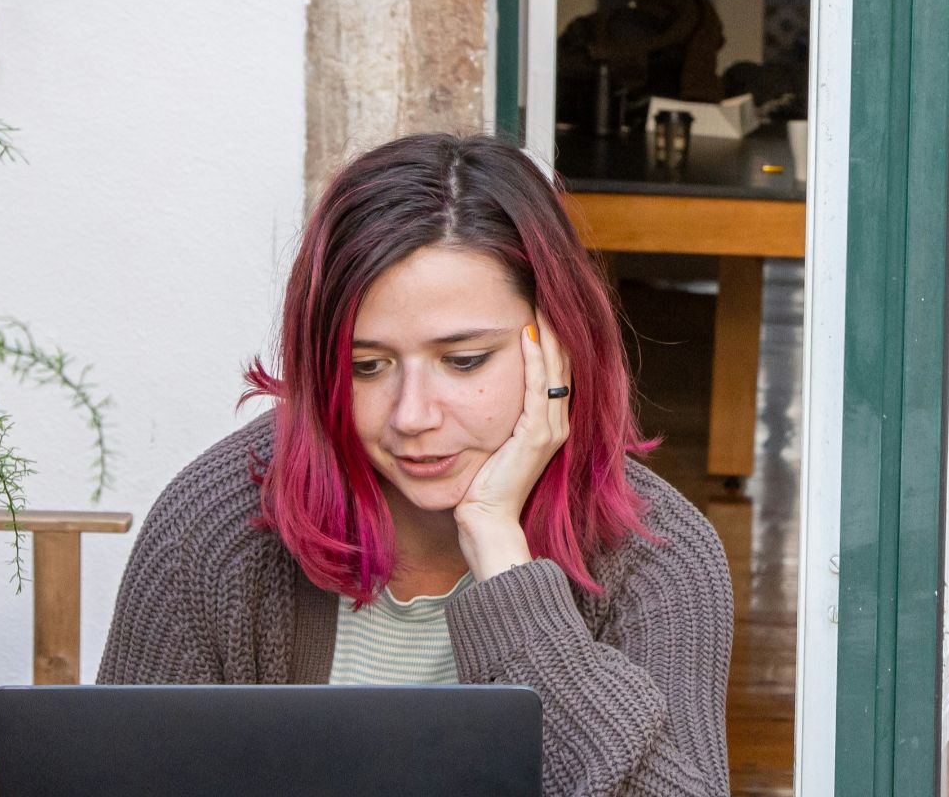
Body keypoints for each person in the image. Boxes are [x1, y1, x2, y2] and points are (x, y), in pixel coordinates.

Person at [98, 133, 734, 797]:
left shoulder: (658, 557)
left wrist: (503, 560)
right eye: (366, 367)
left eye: (463, 361)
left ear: (560, 344)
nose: (412, 416)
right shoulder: (215, 527)